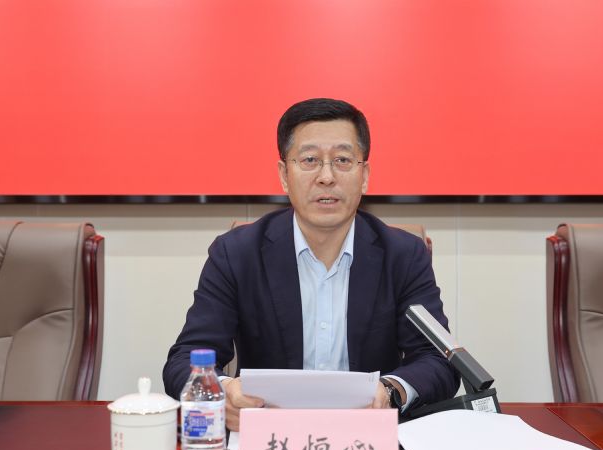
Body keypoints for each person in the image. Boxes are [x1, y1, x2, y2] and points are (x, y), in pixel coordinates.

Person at [164, 98, 459, 430]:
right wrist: (223, 393)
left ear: (364, 176)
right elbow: (184, 359)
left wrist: (390, 391)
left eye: (343, 160)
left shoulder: (403, 255)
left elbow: (439, 361)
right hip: (270, 439)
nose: (326, 177)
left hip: (367, 440)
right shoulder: (237, 253)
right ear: (284, 175)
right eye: (309, 160)